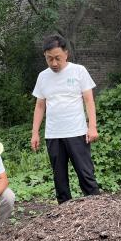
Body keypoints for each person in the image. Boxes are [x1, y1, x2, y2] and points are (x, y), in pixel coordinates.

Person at [31, 34, 100, 204]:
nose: (54, 63)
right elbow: (40, 106)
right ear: (45, 57)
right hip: (53, 134)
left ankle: (96, 208)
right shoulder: (43, 76)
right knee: (59, 177)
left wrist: (92, 127)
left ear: (66, 54)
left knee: (85, 173)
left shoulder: (79, 71)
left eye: (57, 58)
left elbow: (89, 100)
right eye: (49, 59)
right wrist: (35, 133)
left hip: (77, 131)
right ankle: (64, 212)